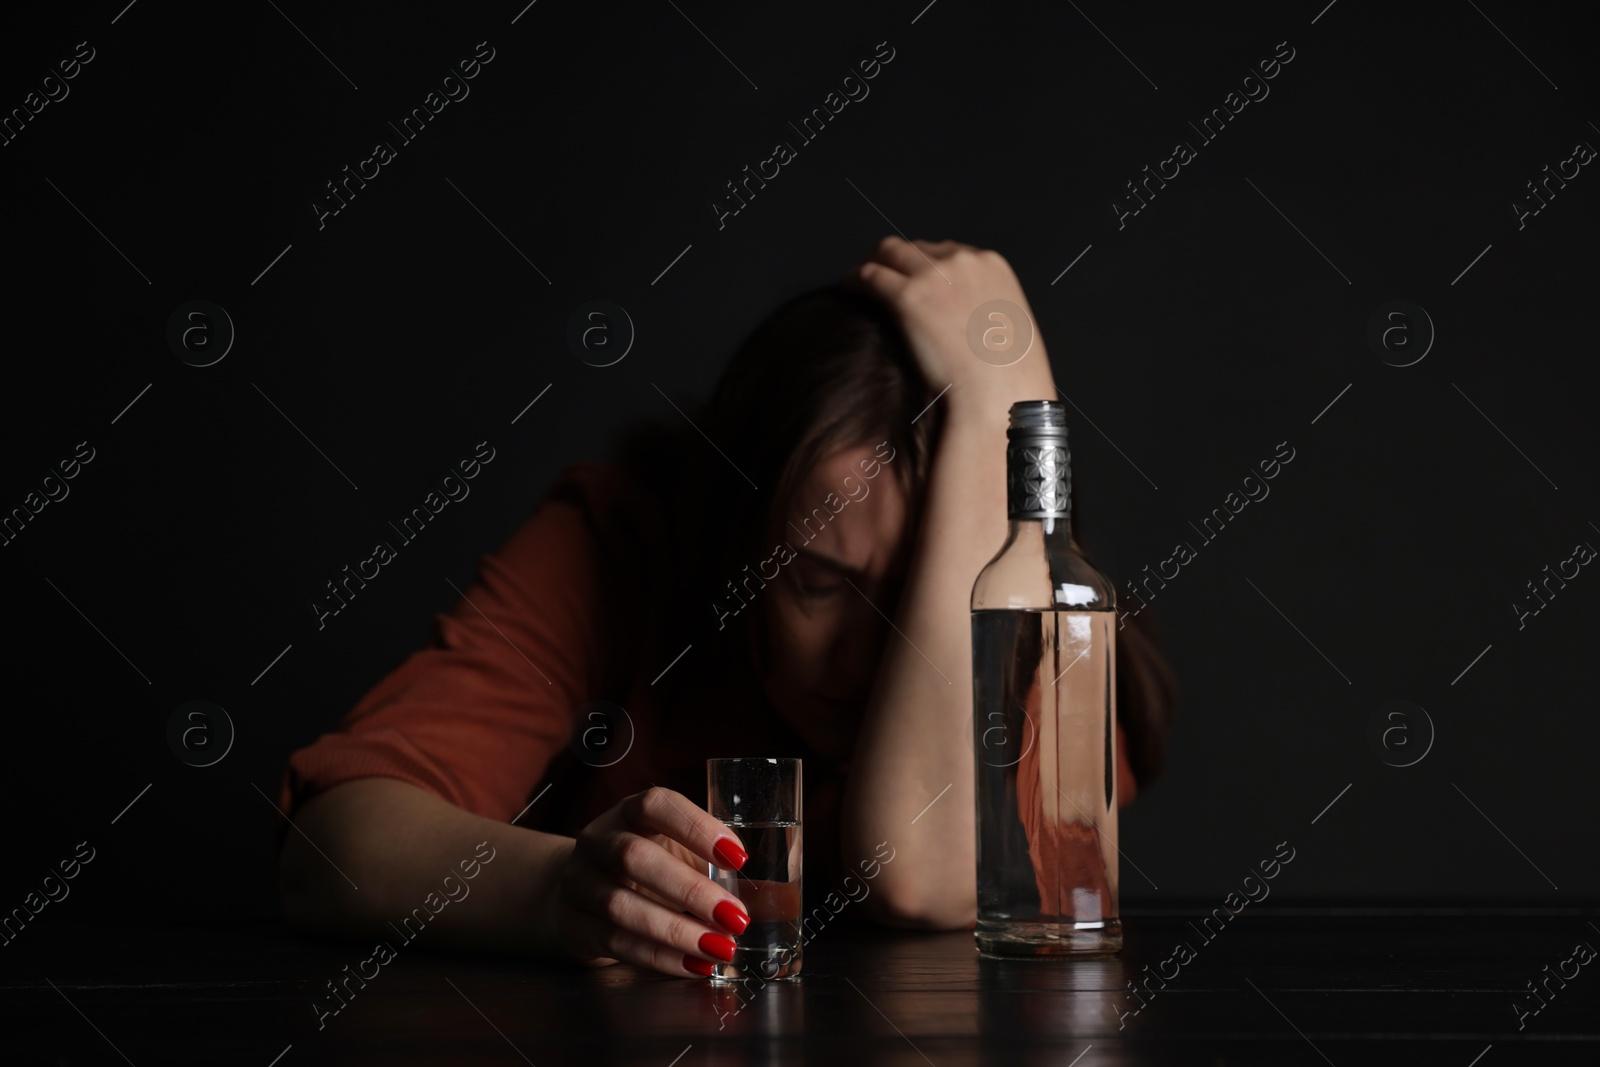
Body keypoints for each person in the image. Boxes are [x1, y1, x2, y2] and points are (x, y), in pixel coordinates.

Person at [276, 237, 1177, 979]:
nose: (862, 659)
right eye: (817, 580)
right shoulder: (620, 544)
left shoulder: (1054, 637)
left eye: (918, 594)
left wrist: (1002, 396)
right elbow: (332, 847)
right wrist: (567, 890)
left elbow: (918, 875)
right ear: (738, 525)